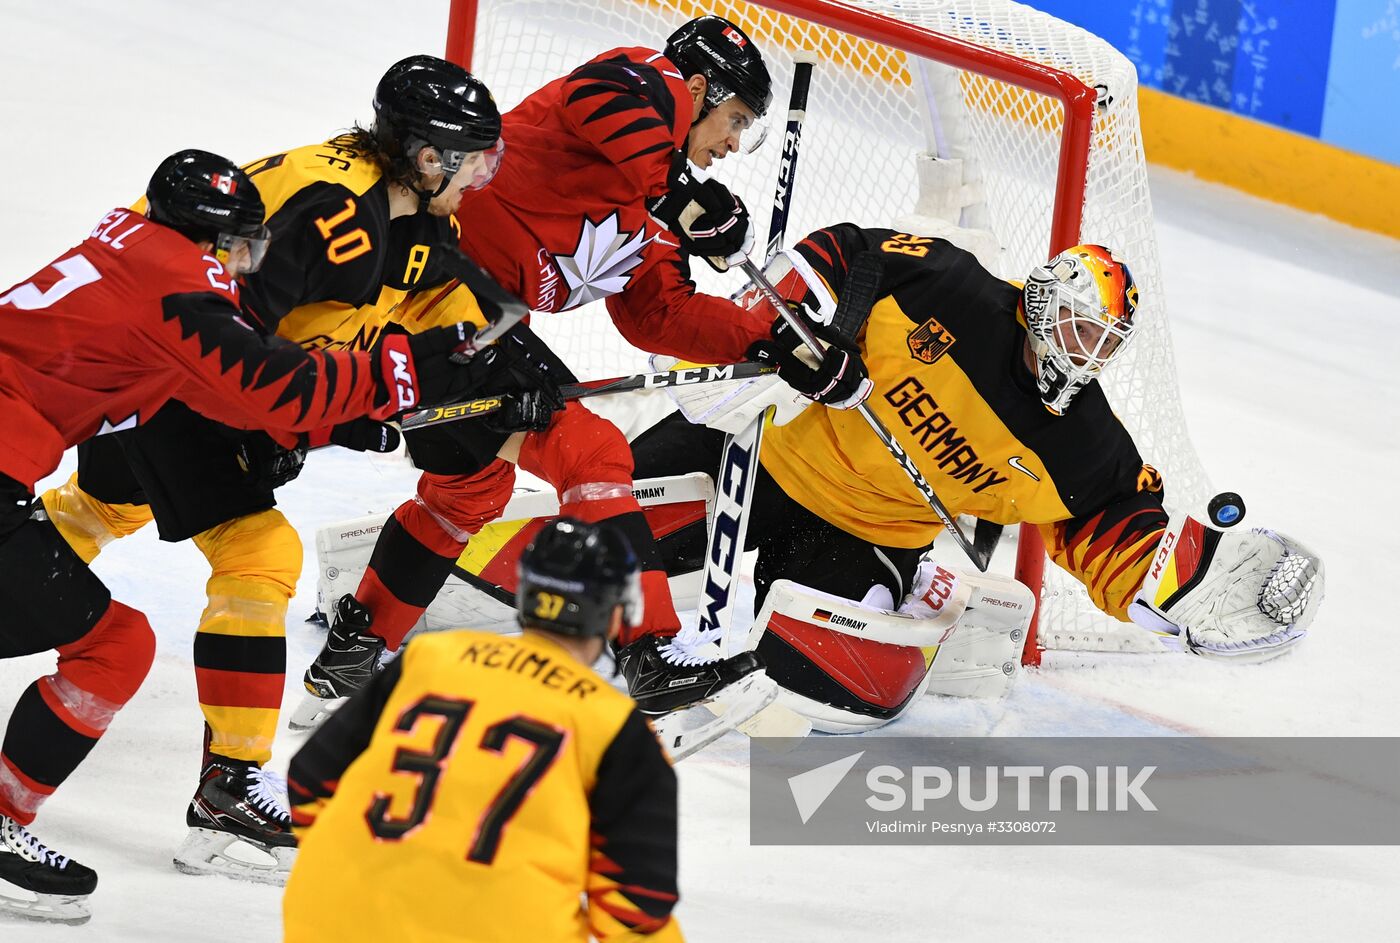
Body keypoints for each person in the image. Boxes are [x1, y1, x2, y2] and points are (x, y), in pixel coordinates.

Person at [32, 55, 547, 882]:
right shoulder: (335, 214)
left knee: (102, 505)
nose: (484, 176)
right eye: (475, 157)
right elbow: (226, 343)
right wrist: (328, 413)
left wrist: (505, 375)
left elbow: (426, 310)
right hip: (164, 369)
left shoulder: (399, 211)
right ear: (426, 157)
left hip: (148, 362)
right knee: (260, 555)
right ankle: (229, 796)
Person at [298, 15, 868, 722]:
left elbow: (658, 317)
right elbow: (595, 101)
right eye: (733, 119)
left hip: (477, 325)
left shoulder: (656, 214)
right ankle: (651, 650)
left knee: (470, 490)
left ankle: (356, 651)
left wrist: (775, 341)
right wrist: (679, 195)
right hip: (435, 286)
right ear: (696, 87)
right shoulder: (642, 82)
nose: (733, 143)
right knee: (590, 449)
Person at [626, 224, 1326, 730]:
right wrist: (772, 335)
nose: (1086, 352)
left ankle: (927, 596)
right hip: (766, 452)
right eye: (1079, 328)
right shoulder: (949, 284)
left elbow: (1116, 526)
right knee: (580, 547)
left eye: (1103, 343)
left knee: (819, 689)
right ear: (1044, 305)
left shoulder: (1081, 439)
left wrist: (1197, 583)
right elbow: (846, 251)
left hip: (871, 529)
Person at [282, 518, 681, 943]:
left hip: (332, 918)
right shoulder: (616, 725)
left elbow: (309, 780)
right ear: (617, 612)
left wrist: (362, 866)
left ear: (524, 591)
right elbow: (635, 906)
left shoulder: (429, 659)